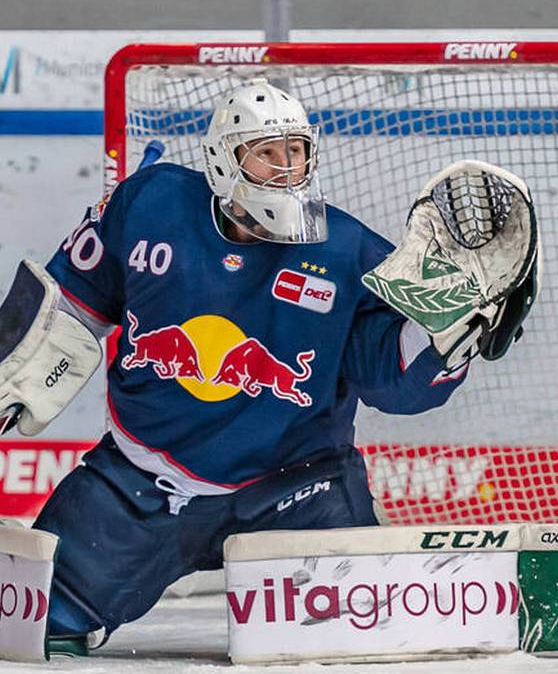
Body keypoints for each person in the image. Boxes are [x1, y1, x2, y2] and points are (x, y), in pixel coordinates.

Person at [30, 78, 477, 652]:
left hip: (298, 490)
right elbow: (76, 295)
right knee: (40, 626)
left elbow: (394, 382)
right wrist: (33, 357)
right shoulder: (152, 204)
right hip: (139, 486)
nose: (286, 167)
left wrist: (450, 335)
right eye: (267, 152)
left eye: (295, 151)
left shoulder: (346, 250)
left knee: (355, 647)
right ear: (223, 159)